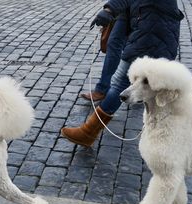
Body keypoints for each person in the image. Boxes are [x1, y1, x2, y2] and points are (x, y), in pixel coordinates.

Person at [61, 0, 184, 147]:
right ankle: (167, 136)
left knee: (121, 81)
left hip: (152, 31)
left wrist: (110, 10)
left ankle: (88, 133)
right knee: (139, 86)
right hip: (147, 23)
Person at [80, 12, 128, 102]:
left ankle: (143, 84)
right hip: (126, 11)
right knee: (116, 43)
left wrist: (109, 10)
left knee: (134, 45)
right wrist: (109, 11)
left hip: (146, 10)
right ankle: (103, 89)